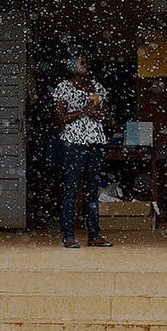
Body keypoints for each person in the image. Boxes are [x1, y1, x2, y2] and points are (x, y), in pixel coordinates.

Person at [52, 56, 113, 248]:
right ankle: (68, 234)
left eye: (88, 63)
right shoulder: (64, 87)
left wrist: (100, 113)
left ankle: (94, 234)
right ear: (71, 66)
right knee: (71, 188)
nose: (87, 66)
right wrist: (84, 112)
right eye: (82, 63)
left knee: (92, 190)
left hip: (95, 140)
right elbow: (59, 117)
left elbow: (106, 115)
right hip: (74, 142)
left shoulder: (97, 87)